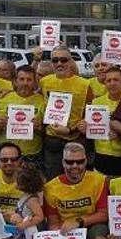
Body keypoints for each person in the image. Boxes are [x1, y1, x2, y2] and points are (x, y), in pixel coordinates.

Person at [43, 143, 109, 239]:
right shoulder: (50, 187)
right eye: (69, 162)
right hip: (64, 228)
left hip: (89, 225)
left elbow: (104, 214)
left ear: (86, 161)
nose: (75, 166)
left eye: (79, 161)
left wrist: (79, 221)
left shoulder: (100, 180)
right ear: (62, 162)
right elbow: (53, 221)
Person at [40, 46, 93, 178]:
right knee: (53, 180)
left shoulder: (84, 84)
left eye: (63, 60)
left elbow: (91, 113)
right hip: (52, 140)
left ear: (70, 61)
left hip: (74, 138)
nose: (59, 63)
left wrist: (73, 129)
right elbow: (25, 91)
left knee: (76, 178)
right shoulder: (44, 82)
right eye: (55, 60)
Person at [0, 65, 46, 168]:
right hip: (7, 157)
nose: (25, 83)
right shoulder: (2, 98)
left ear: (34, 82)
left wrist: (39, 128)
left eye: (29, 80)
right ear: (15, 81)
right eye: (22, 79)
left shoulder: (42, 101)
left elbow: (47, 132)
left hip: (32, 156)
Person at [92, 66, 121, 176]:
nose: (112, 83)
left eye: (116, 80)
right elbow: (90, 127)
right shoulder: (96, 102)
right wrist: (85, 126)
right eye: (109, 80)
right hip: (100, 157)